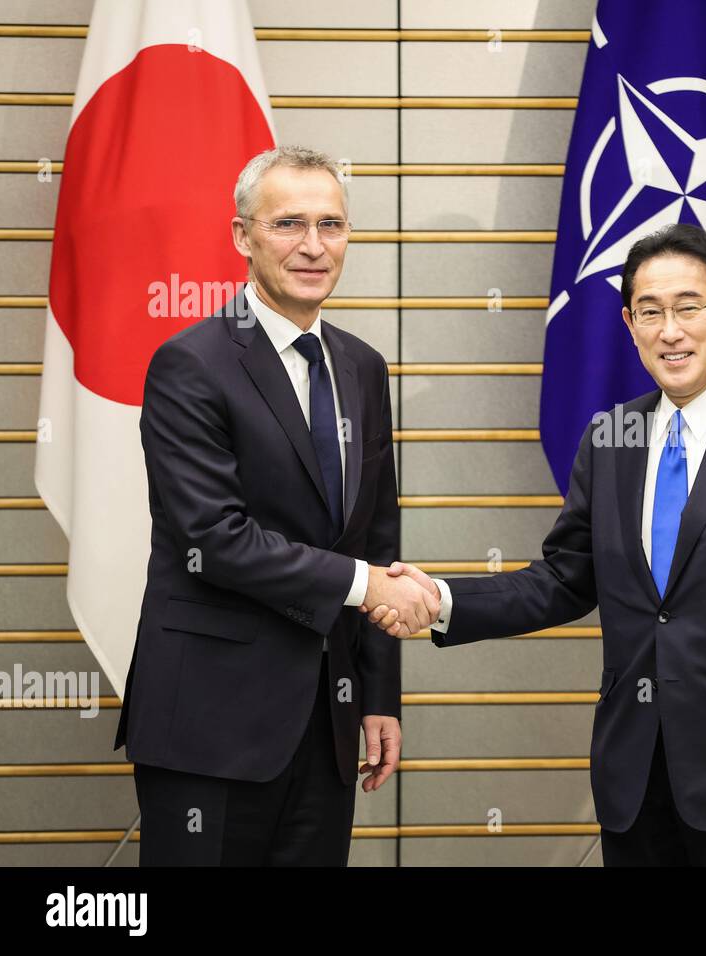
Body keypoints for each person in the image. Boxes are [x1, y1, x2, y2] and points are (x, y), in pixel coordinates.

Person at [367, 223, 706, 866]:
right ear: (629, 324)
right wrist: (437, 599)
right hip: (634, 773)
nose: (671, 330)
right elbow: (563, 579)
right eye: (649, 312)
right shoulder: (612, 437)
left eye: (689, 307)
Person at [114, 146, 435, 865]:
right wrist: (366, 586)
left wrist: (379, 693)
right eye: (289, 223)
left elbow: (376, 535)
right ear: (242, 236)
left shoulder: (361, 367)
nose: (314, 246)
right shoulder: (190, 364)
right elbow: (215, 537)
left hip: (327, 724)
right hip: (210, 726)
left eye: (333, 224)